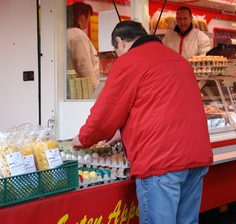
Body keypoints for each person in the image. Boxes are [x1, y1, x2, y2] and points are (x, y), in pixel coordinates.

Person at [71, 21, 213, 223]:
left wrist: (84, 139)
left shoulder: (129, 62)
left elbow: (106, 112)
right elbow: (163, 106)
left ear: (119, 42)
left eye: (115, 50)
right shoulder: (178, 59)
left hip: (161, 161)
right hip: (196, 157)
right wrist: (122, 133)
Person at [66, 2, 100, 91]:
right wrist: (95, 89)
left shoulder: (66, 33)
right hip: (82, 89)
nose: (88, 22)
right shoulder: (78, 35)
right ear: (82, 17)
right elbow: (84, 64)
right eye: (88, 18)